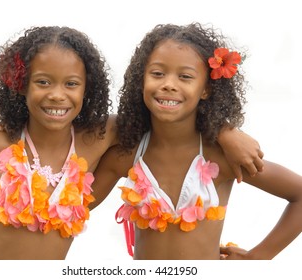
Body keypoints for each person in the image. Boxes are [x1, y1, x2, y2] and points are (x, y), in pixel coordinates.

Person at [0, 25, 263, 260]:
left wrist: (224, 131)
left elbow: (164, 114)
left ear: (88, 89)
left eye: (71, 84)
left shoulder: (99, 136)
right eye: (43, 82)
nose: (57, 95)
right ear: (21, 85)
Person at [91, 22, 302, 260]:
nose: (169, 84)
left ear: (206, 90)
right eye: (158, 73)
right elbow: (76, 208)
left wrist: (259, 258)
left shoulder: (221, 157)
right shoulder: (127, 155)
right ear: (141, 81)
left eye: (185, 76)